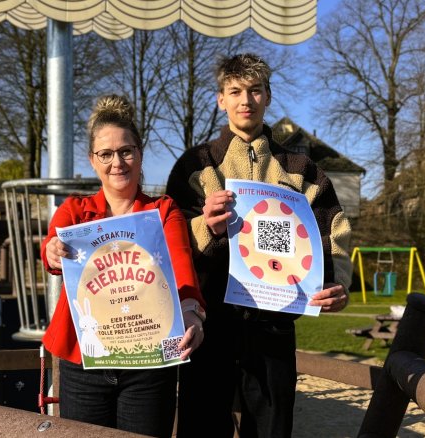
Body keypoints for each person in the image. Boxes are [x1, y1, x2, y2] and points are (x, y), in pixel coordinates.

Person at [165, 53, 353, 437]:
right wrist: (205, 227)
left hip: (275, 327)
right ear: (221, 99)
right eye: (235, 91)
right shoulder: (195, 165)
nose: (245, 100)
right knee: (201, 429)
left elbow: (333, 232)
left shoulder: (304, 170)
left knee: (271, 431)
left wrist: (339, 284)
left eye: (254, 90)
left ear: (268, 96)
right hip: (209, 324)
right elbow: (170, 237)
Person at [41, 94, 206, 436]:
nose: (117, 162)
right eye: (106, 154)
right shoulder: (74, 211)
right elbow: (51, 251)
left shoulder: (164, 210)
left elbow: (181, 266)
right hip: (83, 361)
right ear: (93, 160)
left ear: (140, 154)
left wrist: (191, 311)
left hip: (148, 361)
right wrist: (53, 251)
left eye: (126, 151)